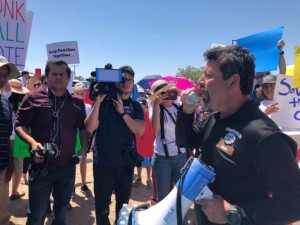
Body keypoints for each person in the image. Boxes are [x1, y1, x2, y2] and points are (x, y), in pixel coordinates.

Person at [176, 45, 300, 225]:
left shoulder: (263, 134)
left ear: (233, 81)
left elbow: (295, 204)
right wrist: (186, 114)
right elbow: (185, 142)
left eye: (208, 76)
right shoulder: (216, 118)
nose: (200, 82)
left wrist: (233, 212)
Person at [15, 60, 88, 225]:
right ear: (47, 77)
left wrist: (83, 148)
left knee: (61, 211)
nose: (58, 77)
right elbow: (20, 125)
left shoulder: (77, 102)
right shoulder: (32, 97)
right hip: (41, 166)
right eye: (54, 74)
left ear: (69, 77)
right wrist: (33, 143)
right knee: (36, 214)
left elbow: (82, 128)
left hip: (68, 166)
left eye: (62, 74)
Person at [85, 65, 145, 225]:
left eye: (129, 80)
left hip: (126, 164)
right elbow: (90, 127)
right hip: (103, 163)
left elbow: (139, 130)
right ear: (116, 82)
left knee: (123, 207)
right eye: (122, 79)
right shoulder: (103, 103)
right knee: (102, 207)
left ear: (133, 83)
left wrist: (123, 113)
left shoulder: (135, 106)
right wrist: (98, 101)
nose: (126, 82)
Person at [149, 80, 187, 203]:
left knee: (182, 194)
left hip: (181, 155)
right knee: (163, 196)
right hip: (162, 157)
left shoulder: (179, 105)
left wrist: (180, 93)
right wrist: (156, 105)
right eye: (163, 93)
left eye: (169, 91)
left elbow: (195, 106)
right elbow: (155, 127)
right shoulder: (155, 108)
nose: (167, 95)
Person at [0, 56, 19, 225]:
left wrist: (11, 160)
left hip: (1, 168)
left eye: (5, 75)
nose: (1, 77)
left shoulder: (5, 103)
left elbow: (6, 135)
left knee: (2, 213)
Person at [8, 79, 29, 201]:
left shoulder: (3, 100)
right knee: (18, 164)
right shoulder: (24, 105)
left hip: (5, 137)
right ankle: (14, 191)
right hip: (20, 137)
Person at [72, 84, 93, 196]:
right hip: (72, 137)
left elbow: (89, 126)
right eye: (77, 93)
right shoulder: (70, 106)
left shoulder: (88, 107)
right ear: (73, 93)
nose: (79, 96)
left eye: (81, 94)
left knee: (83, 162)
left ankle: (84, 184)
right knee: (72, 163)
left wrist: (90, 141)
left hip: (83, 137)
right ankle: (72, 187)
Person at [133, 97, 155, 189]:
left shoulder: (150, 115)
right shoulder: (135, 116)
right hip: (139, 142)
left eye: (142, 105)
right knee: (139, 161)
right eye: (139, 106)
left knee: (149, 162)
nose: (141, 107)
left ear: (146, 105)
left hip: (149, 142)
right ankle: (139, 177)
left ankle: (149, 179)